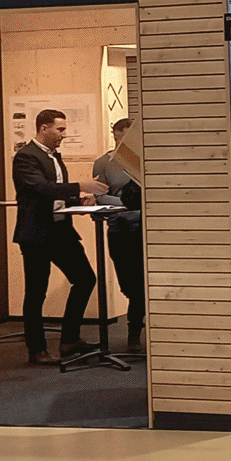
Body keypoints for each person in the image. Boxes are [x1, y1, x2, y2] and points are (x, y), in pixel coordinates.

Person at [12, 109, 109, 364]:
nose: (64, 135)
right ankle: (37, 350)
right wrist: (80, 186)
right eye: (60, 129)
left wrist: (79, 200)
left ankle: (69, 341)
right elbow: (40, 189)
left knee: (85, 279)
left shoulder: (54, 156)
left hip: (61, 231)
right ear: (44, 128)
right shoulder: (25, 156)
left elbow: (55, 195)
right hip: (36, 234)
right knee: (36, 293)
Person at [92, 117, 145, 353]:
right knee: (128, 286)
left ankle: (134, 332)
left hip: (142, 229)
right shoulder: (103, 163)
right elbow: (100, 196)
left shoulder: (143, 160)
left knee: (141, 287)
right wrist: (128, 203)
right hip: (118, 230)